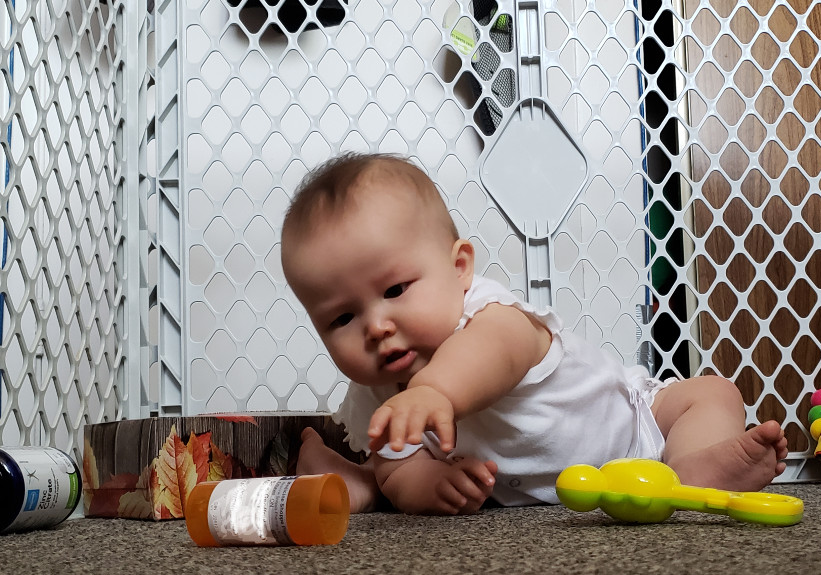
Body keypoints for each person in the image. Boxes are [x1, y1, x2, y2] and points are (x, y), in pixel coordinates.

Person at [281, 152, 788, 515]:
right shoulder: (378, 392)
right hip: (555, 490)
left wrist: (436, 390)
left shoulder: (489, 314)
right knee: (384, 482)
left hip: (639, 430)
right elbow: (400, 466)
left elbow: (494, 353)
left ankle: (688, 473)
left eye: (395, 288)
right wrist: (430, 484)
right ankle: (339, 476)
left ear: (459, 268)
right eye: (341, 319)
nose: (375, 327)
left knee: (711, 393)